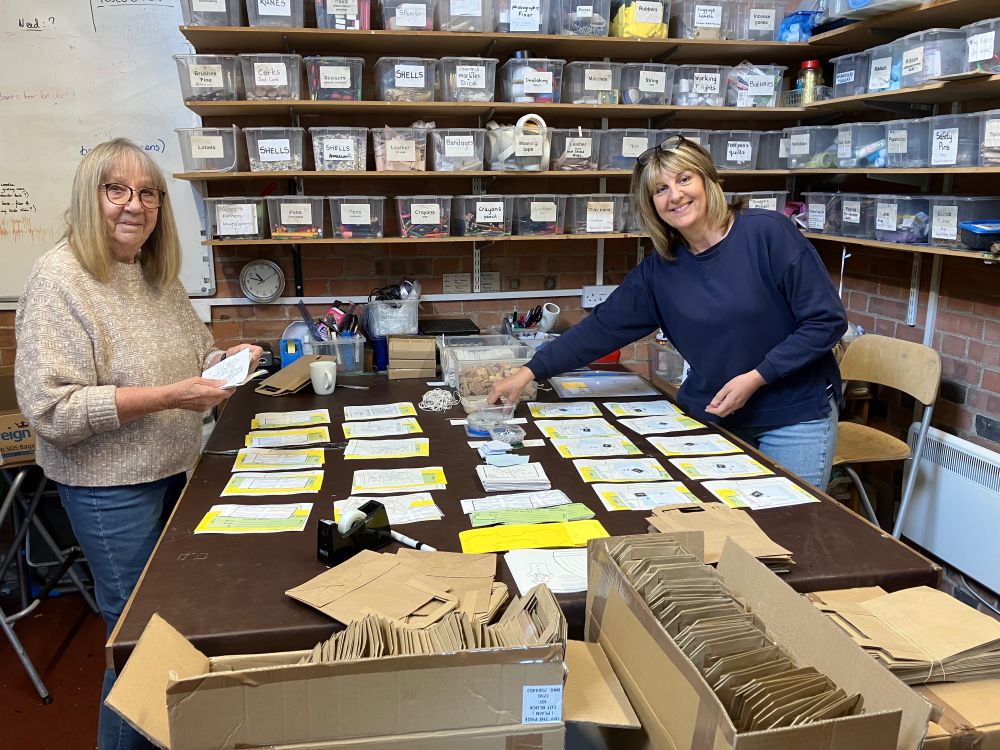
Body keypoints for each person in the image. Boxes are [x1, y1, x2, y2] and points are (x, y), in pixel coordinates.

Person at [14, 138, 262, 750]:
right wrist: (170, 396)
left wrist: (222, 363)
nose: (135, 205)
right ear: (88, 197)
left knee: (168, 626)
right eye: (116, 190)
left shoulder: (154, 275)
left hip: (174, 469)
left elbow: (186, 360)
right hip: (108, 491)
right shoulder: (60, 278)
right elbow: (51, 409)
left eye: (148, 193)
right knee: (138, 641)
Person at [489, 135, 847, 490]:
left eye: (684, 179)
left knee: (791, 529)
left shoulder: (767, 234)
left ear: (708, 180)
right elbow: (602, 328)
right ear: (651, 204)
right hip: (715, 413)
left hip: (793, 416)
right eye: (660, 189)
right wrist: (529, 371)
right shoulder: (661, 270)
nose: (675, 195)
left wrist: (757, 376)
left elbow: (825, 320)